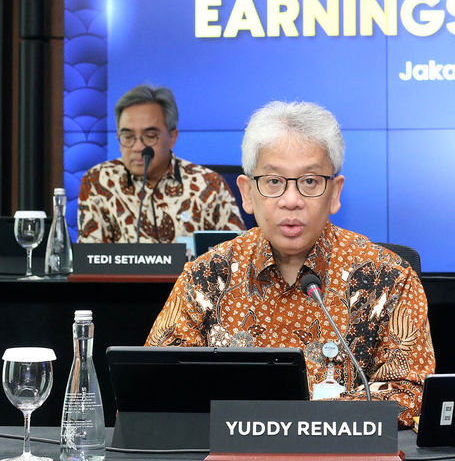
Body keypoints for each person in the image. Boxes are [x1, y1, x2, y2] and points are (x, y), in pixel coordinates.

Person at [145, 101, 434, 427]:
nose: (291, 199)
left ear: (335, 192)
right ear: (247, 193)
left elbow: (412, 391)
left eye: (310, 181)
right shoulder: (206, 277)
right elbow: (151, 387)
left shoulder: (387, 276)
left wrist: (296, 423)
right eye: (273, 181)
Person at [77, 84, 244, 243]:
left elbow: (237, 258)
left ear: (172, 137)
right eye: (128, 137)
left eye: (150, 136)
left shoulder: (209, 185)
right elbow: (89, 263)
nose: (138, 147)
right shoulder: (98, 182)